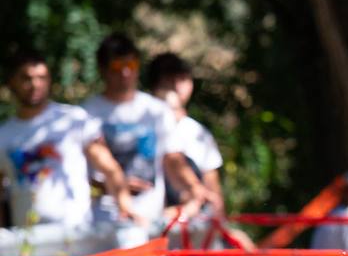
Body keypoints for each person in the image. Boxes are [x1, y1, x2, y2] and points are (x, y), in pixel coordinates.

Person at [0, 49, 136, 229]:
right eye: (26, 78)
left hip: (76, 237)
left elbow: (109, 168)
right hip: (28, 245)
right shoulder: (4, 135)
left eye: (42, 78)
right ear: (11, 83)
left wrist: (126, 207)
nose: (35, 85)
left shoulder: (73, 119)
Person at [82, 33, 201, 227]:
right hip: (101, 221)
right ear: (102, 69)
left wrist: (194, 188)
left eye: (131, 65)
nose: (126, 73)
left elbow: (172, 159)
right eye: (118, 67)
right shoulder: (86, 114)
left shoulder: (156, 110)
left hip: (150, 220)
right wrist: (113, 186)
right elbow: (76, 176)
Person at [143, 53, 222, 214]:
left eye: (183, 79)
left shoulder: (199, 133)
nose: (177, 86)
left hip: (192, 225)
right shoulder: (138, 127)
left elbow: (213, 189)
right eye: (169, 79)